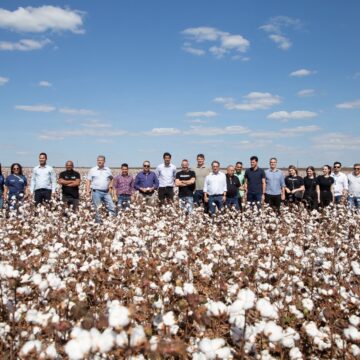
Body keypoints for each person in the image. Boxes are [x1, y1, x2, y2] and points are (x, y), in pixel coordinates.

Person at [86, 155, 116, 223]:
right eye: (98, 160)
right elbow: (88, 180)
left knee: (111, 207)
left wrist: (111, 184)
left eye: (101, 160)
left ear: (104, 161)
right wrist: (87, 191)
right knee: (98, 208)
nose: (99, 161)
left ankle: (113, 222)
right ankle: (98, 224)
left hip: (106, 192)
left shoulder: (108, 170)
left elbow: (111, 178)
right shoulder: (93, 170)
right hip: (96, 192)